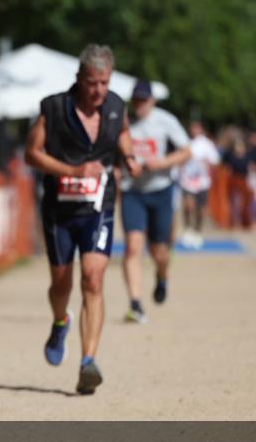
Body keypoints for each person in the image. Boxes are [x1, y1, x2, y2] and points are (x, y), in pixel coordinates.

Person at [25, 44, 140, 395]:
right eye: (92, 83)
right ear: (79, 78)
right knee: (62, 285)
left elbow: (121, 132)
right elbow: (32, 153)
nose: (99, 91)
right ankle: (61, 321)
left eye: (104, 83)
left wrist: (129, 155)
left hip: (98, 206)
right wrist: (73, 169)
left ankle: (88, 361)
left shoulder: (117, 106)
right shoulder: (54, 107)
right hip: (59, 209)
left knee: (93, 279)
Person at [119, 80, 191, 324]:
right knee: (132, 246)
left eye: (144, 100)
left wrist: (160, 163)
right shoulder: (123, 121)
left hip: (160, 190)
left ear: (152, 101)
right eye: (136, 100)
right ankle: (135, 304)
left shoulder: (165, 120)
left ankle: (162, 276)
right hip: (132, 191)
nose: (139, 105)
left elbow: (186, 150)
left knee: (159, 251)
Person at [179, 121, 221, 249]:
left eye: (196, 128)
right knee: (188, 205)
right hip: (188, 181)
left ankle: (197, 231)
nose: (194, 131)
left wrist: (206, 162)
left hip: (202, 182)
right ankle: (187, 229)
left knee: (201, 209)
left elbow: (216, 161)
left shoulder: (207, 144)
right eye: (192, 128)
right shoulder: (185, 142)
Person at [223, 133, 255, 229]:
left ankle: (245, 222)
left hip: (244, 180)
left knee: (245, 203)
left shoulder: (247, 157)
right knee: (232, 202)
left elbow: (251, 168)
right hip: (234, 180)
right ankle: (231, 222)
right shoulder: (231, 157)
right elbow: (226, 168)